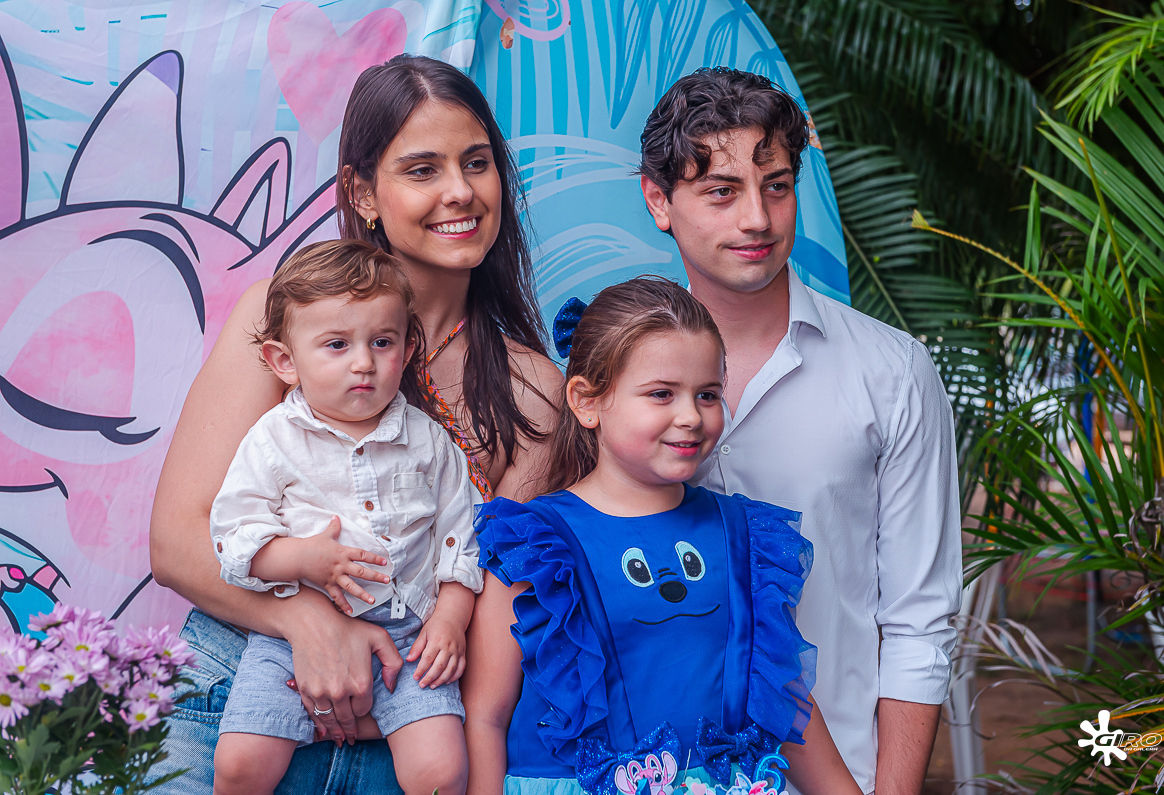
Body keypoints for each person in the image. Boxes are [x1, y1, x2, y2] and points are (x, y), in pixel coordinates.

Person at [149, 55, 561, 793]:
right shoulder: (282, 314)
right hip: (233, 694)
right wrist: (311, 624)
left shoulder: (534, 390)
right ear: (362, 192)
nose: (460, 191)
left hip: (403, 723)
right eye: (423, 169)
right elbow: (179, 541)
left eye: (476, 163)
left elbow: (485, 597)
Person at [636, 68, 962, 795]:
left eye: (776, 186)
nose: (757, 217)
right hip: (653, 773)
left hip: (843, 771)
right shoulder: (612, 384)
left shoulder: (893, 372)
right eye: (721, 191)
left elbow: (919, 620)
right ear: (659, 200)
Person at [463, 277, 861, 795]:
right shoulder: (537, 546)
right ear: (586, 401)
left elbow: (783, 699)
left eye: (708, 394)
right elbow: (485, 714)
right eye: (661, 394)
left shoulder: (747, 538)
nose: (690, 416)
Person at [208, 240, 482, 795]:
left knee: (443, 770)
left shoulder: (430, 443)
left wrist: (451, 620)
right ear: (284, 362)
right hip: (292, 641)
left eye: (382, 342)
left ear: (406, 350)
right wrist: (301, 558)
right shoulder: (273, 440)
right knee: (239, 762)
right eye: (337, 345)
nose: (363, 363)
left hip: (411, 638)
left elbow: (461, 536)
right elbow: (233, 536)